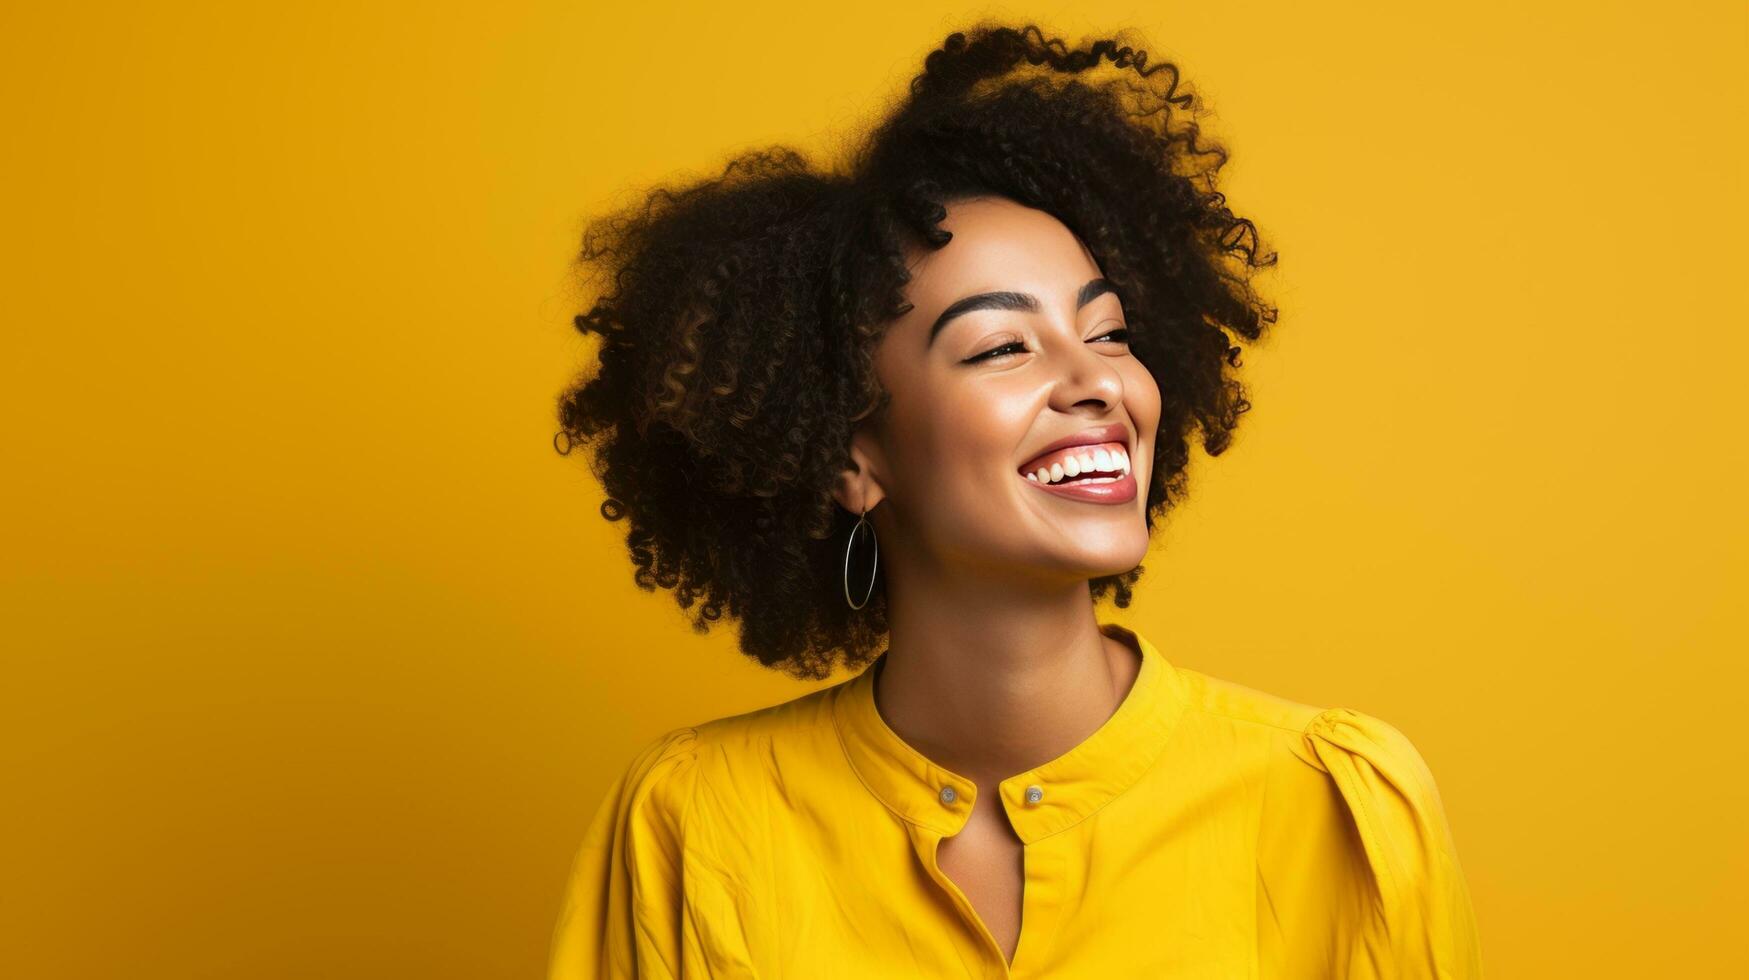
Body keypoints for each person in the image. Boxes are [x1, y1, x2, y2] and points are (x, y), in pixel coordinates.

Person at [547, 22, 1484, 979]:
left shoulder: (1334, 805)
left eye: (1109, 334)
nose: (1097, 382)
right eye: (1002, 347)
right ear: (850, 456)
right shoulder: (694, 820)